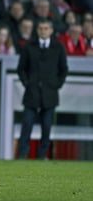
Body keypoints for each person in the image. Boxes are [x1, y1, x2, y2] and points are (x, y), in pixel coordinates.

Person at [17, 19, 68, 160]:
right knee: (26, 125)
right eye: (41, 28)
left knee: (47, 127)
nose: (43, 31)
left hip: (50, 94)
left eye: (46, 28)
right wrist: (27, 83)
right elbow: (21, 69)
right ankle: (22, 154)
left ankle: (42, 155)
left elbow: (63, 69)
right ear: (37, 30)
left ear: (51, 30)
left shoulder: (58, 48)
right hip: (32, 93)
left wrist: (56, 85)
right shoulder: (29, 47)